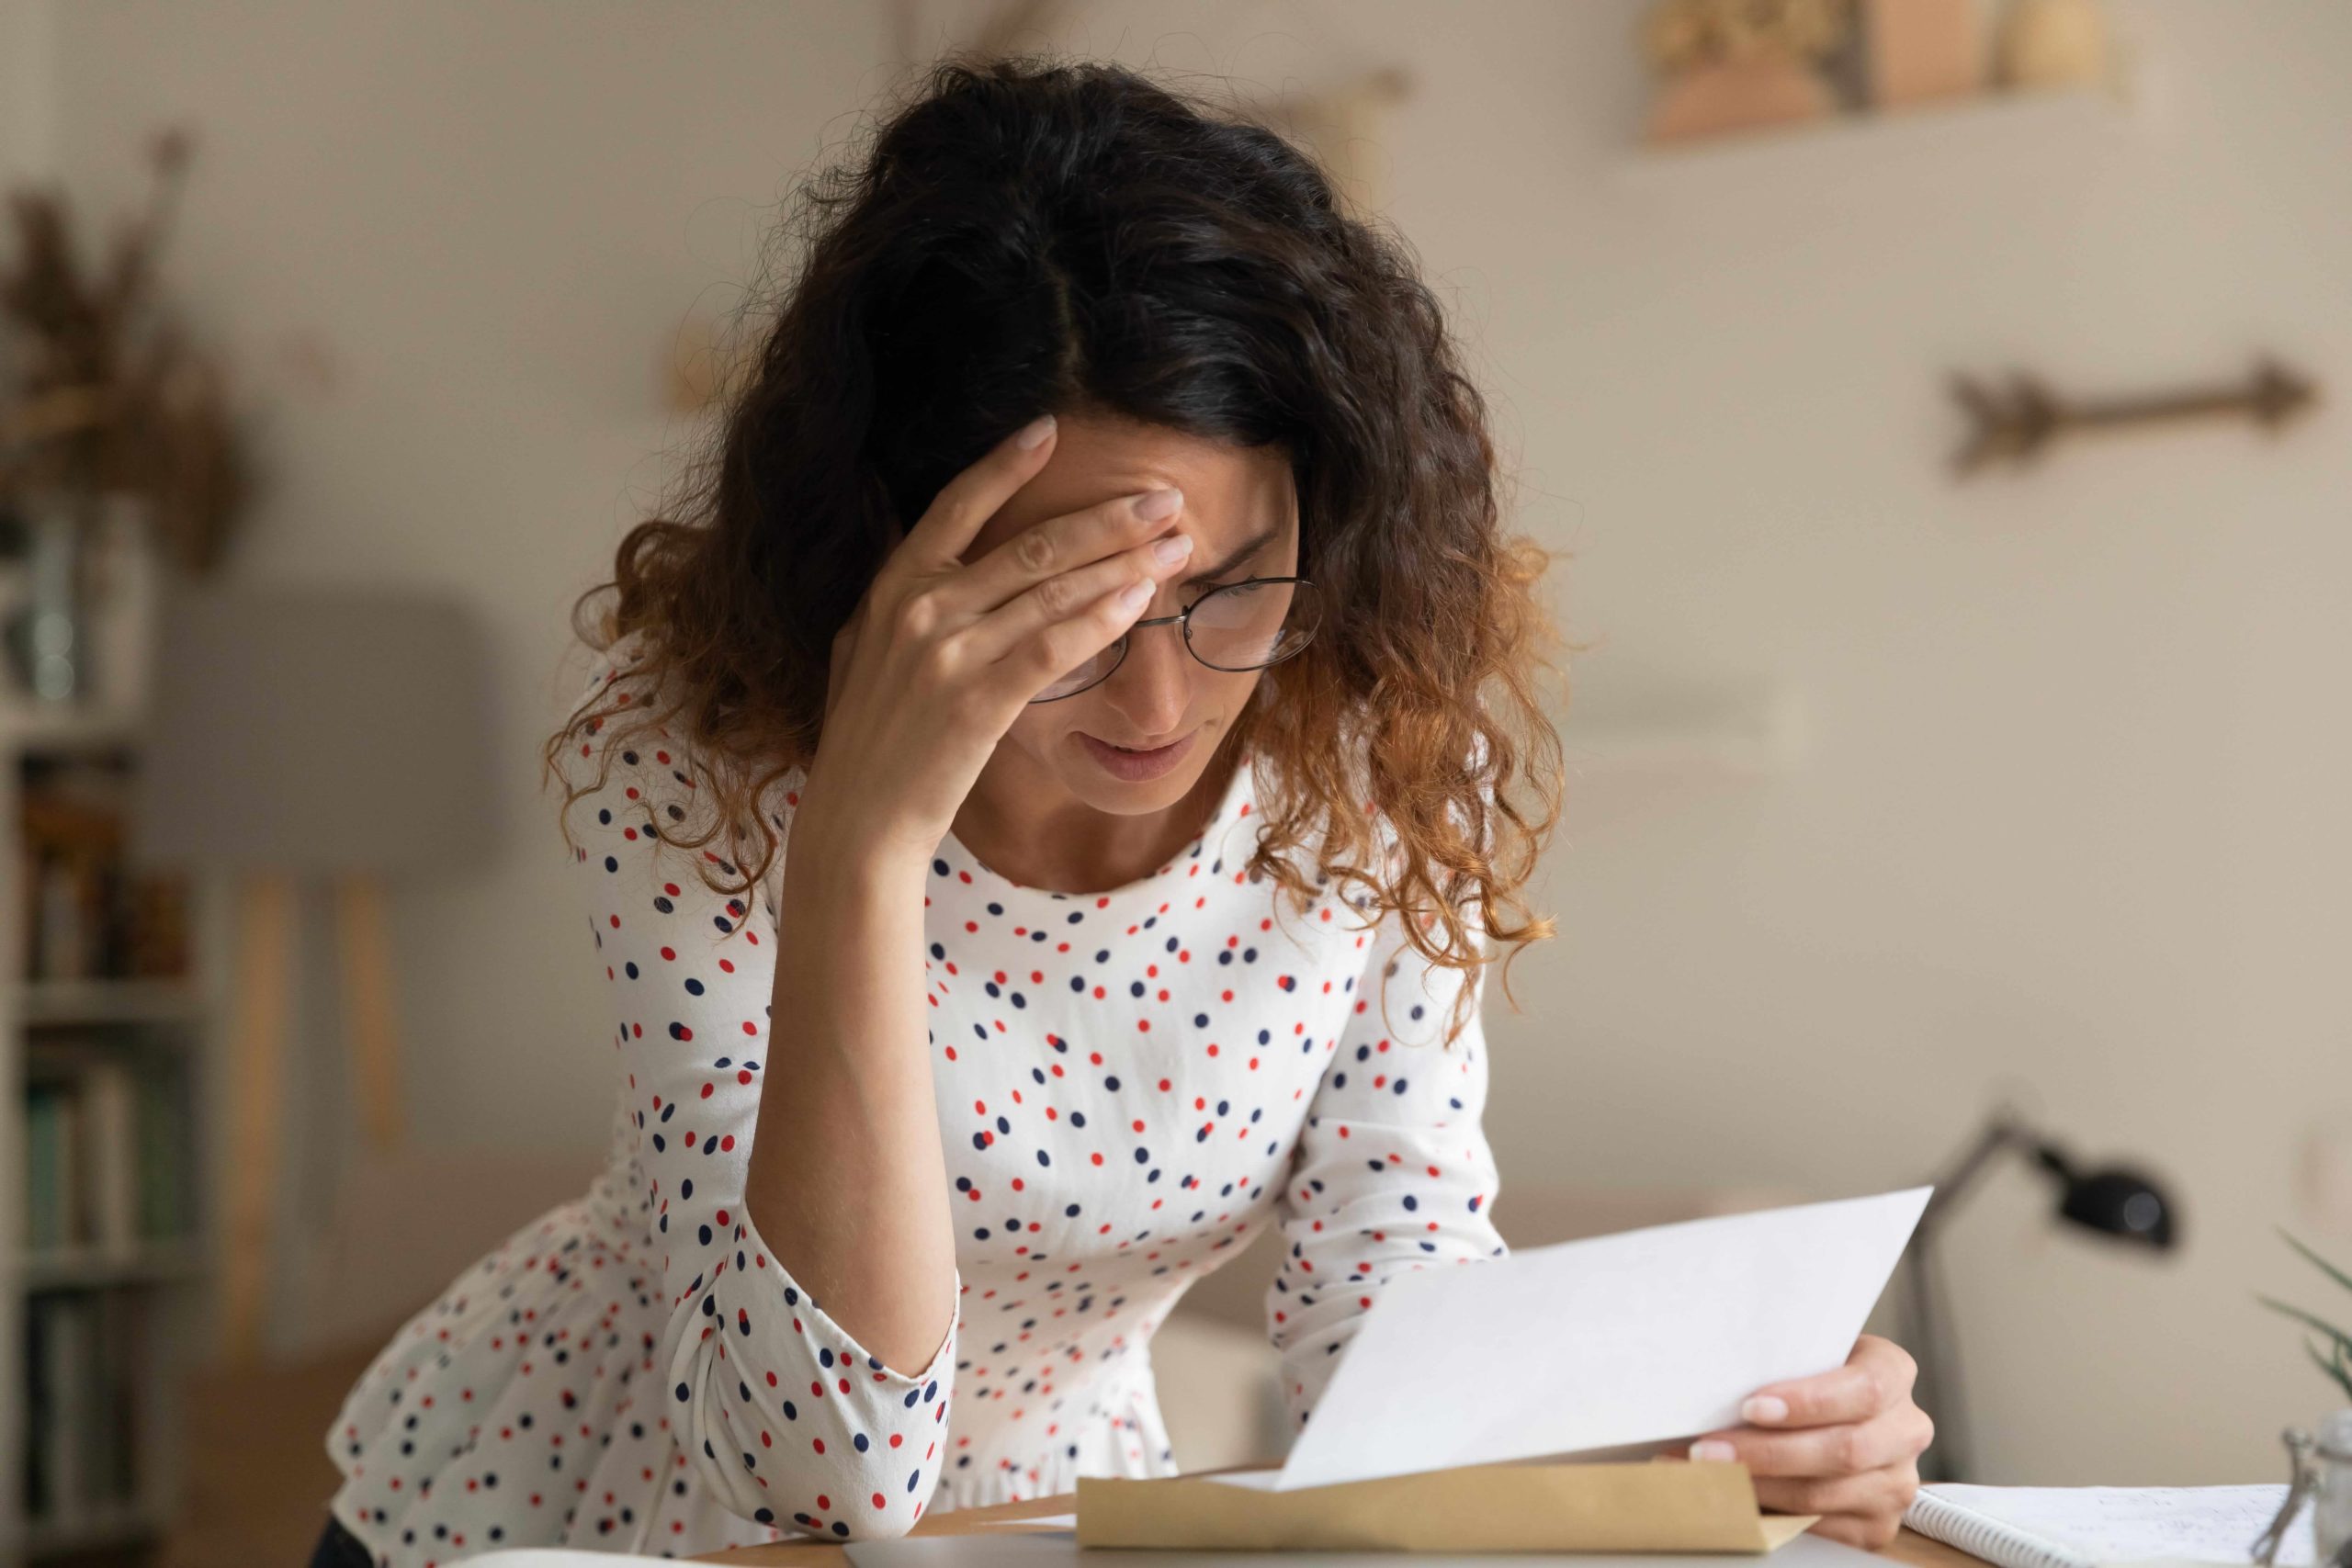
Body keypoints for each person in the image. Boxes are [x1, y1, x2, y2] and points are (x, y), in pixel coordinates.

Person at [312, 54, 1930, 1567]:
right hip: (584, 1514)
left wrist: (1683, 1459)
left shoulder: (1364, 768)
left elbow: (1393, 1300)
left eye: (1232, 590)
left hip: (1051, 1519)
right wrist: (863, 848)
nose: (1163, 706)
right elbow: (823, 1477)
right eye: (1064, 612)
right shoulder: (703, 773)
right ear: (892, 552)